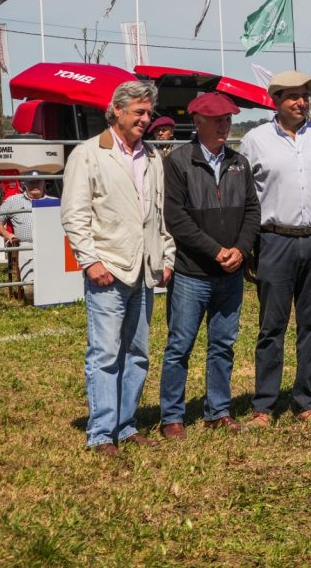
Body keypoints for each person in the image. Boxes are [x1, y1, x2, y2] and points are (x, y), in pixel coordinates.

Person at [60, 81, 175, 456]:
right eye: (138, 112)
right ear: (116, 111)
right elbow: (74, 214)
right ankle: (101, 433)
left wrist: (167, 257)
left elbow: (161, 216)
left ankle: (125, 426)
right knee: (106, 353)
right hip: (108, 268)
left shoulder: (154, 158)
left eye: (148, 113)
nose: (145, 119)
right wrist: (90, 260)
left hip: (145, 269)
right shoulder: (89, 154)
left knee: (138, 353)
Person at [238, 71, 311, 428]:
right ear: (275, 100)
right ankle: (264, 404)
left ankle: (307, 399)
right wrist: (246, 247)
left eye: (305, 95)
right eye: (293, 96)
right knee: (271, 327)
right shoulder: (254, 141)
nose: (301, 102)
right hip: (274, 240)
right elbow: (244, 198)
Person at [158, 93, 260, 440]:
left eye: (228, 119)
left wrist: (241, 249)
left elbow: (252, 211)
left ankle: (218, 410)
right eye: (217, 120)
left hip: (229, 274)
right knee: (179, 345)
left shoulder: (239, 163)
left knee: (223, 344)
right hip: (192, 273)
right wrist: (217, 250)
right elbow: (176, 218)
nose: (224, 125)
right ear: (197, 122)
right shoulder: (177, 162)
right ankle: (172, 416)